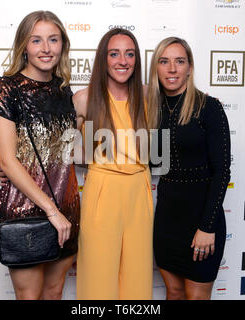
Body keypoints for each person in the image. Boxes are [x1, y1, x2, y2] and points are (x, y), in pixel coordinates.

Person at [0, 10, 80, 300]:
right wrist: (51, 211)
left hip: (67, 209)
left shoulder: (64, 91)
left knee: (54, 292)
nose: (46, 48)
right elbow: (8, 161)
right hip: (29, 212)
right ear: (24, 45)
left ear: (63, 44)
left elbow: (61, 153)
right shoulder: (6, 88)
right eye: (36, 40)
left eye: (53, 39)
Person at [147, 37, 231, 300]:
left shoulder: (209, 108)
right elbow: (155, 164)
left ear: (190, 67)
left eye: (179, 61)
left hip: (201, 218)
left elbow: (222, 172)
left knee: (196, 294)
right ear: (156, 69)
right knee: (173, 292)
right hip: (167, 219)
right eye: (164, 61)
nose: (172, 68)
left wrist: (207, 227)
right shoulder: (153, 110)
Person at [73, 28, 153, 300]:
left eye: (129, 54)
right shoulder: (84, 98)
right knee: (98, 277)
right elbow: (62, 150)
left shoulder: (148, 96)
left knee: (137, 278)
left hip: (139, 194)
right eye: (114, 54)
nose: (123, 61)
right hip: (102, 192)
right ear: (103, 59)